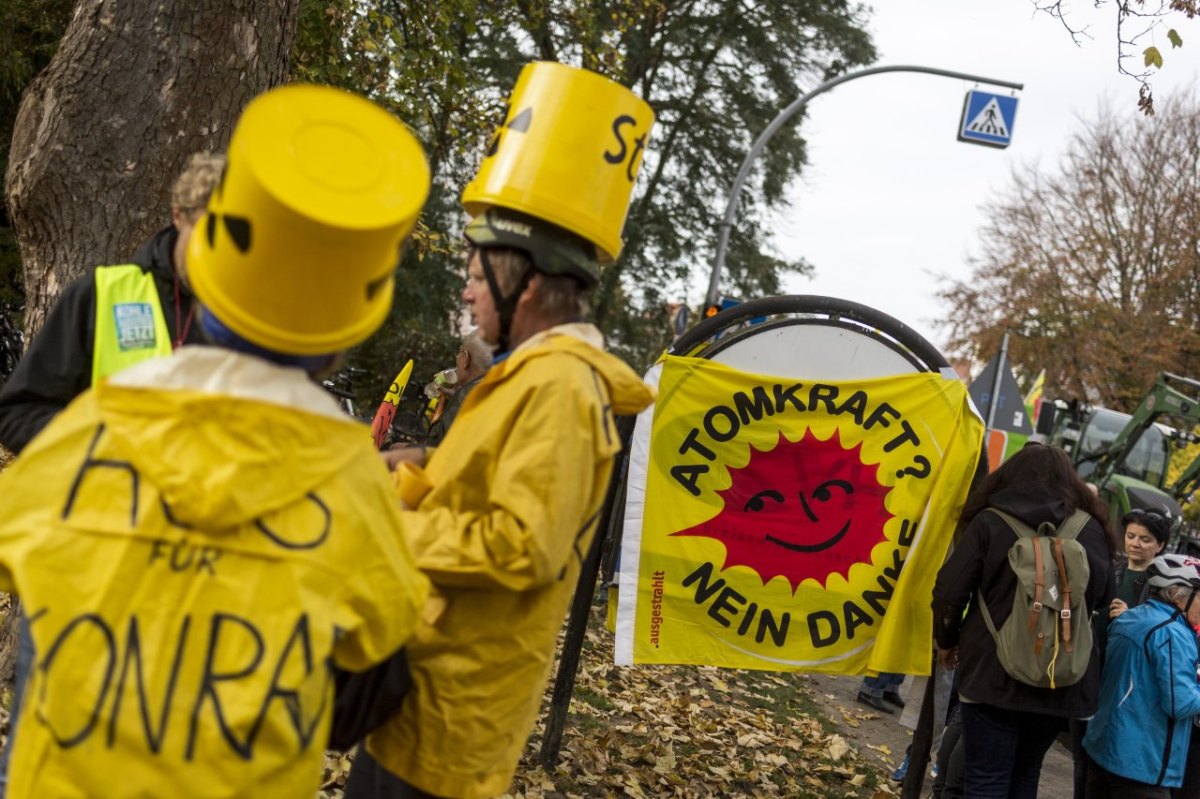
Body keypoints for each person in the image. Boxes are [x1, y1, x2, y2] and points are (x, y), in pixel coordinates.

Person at [0, 84, 432, 797]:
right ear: (340, 339)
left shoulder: (87, 435)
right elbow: (368, 679)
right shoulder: (354, 482)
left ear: (215, 280)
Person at [343, 61, 656, 799]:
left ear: (528, 280)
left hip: (450, 722)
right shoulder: (533, 375)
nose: (468, 287)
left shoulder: (559, 389)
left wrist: (384, 524)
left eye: (478, 272)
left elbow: (522, 544)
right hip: (423, 698)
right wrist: (419, 469)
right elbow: (491, 494)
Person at [0, 151, 223, 455]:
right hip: (114, 495)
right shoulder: (100, 295)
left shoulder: (260, 314)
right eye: (209, 232)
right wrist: (104, 443)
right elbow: (17, 414)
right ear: (178, 216)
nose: (220, 253)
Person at [932, 443, 1114, 799]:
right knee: (1027, 773)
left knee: (985, 775)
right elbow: (1104, 598)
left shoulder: (990, 520)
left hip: (992, 671)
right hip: (1061, 675)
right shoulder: (1090, 529)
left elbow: (950, 592)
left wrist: (947, 641)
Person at [1070, 506, 1170, 797]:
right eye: (1131, 535)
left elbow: (1160, 635)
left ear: (1160, 545)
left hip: (1124, 687)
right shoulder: (1108, 569)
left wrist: (1132, 617)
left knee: (1106, 760)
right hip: (1088, 673)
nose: (1136, 543)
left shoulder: (1160, 588)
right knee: (1080, 756)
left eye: (1146, 539)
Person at [1083, 554, 1200, 797]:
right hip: (1141, 764)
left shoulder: (1133, 616)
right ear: (1181, 596)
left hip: (1103, 749)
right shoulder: (1172, 633)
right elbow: (1181, 703)